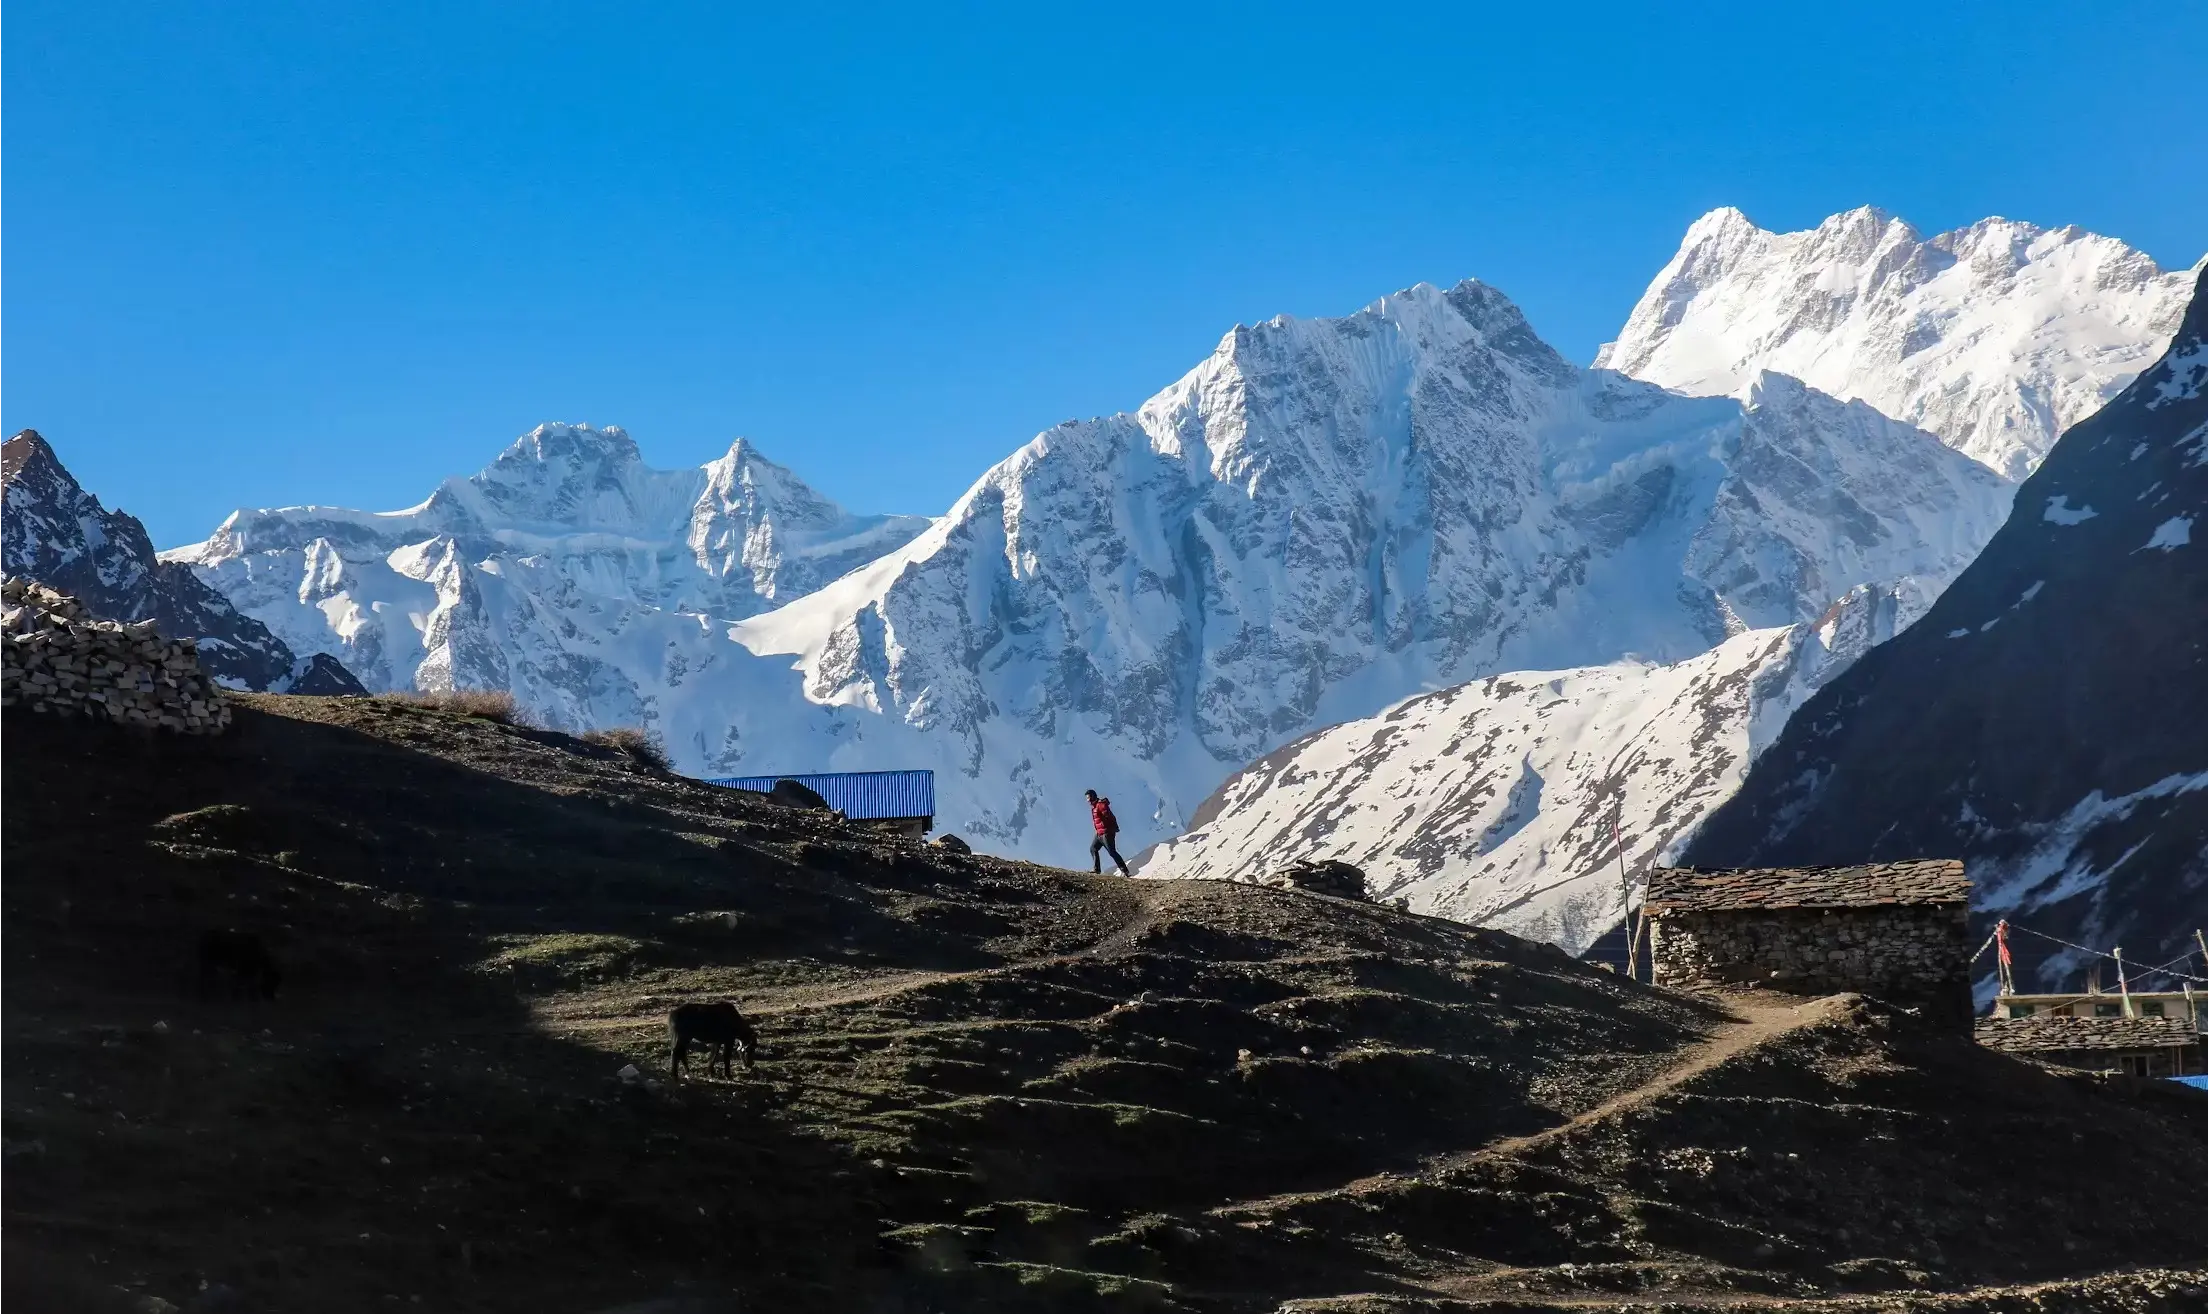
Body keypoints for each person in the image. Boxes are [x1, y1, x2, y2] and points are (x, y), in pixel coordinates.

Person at [1085, 788, 1130, 875]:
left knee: (1112, 852)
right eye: (1087, 799)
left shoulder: (1101, 805)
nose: (1088, 801)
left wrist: (1112, 829)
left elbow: (1110, 817)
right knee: (1093, 849)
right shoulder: (1094, 807)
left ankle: (1125, 871)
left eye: (1089, 798)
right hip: (1099, 834)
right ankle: (1096, 869)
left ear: (1093, 796)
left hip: (1106, 833)